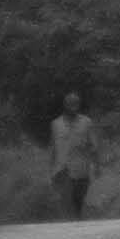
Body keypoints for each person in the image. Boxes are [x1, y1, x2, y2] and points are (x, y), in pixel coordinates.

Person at [49, 91, 103, 220]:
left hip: (81, 171)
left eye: (76, 104)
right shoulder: (56, 124)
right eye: (70, 104)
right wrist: (50, 171)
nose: (73, 107)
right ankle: (69, 225)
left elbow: (94, 146)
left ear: (79, 105)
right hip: (62, 171)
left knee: (77, 203)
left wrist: (97, 166)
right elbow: (53, 149)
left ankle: (75, 226)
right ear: (65, 105)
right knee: (67, 202)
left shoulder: (86, 123)